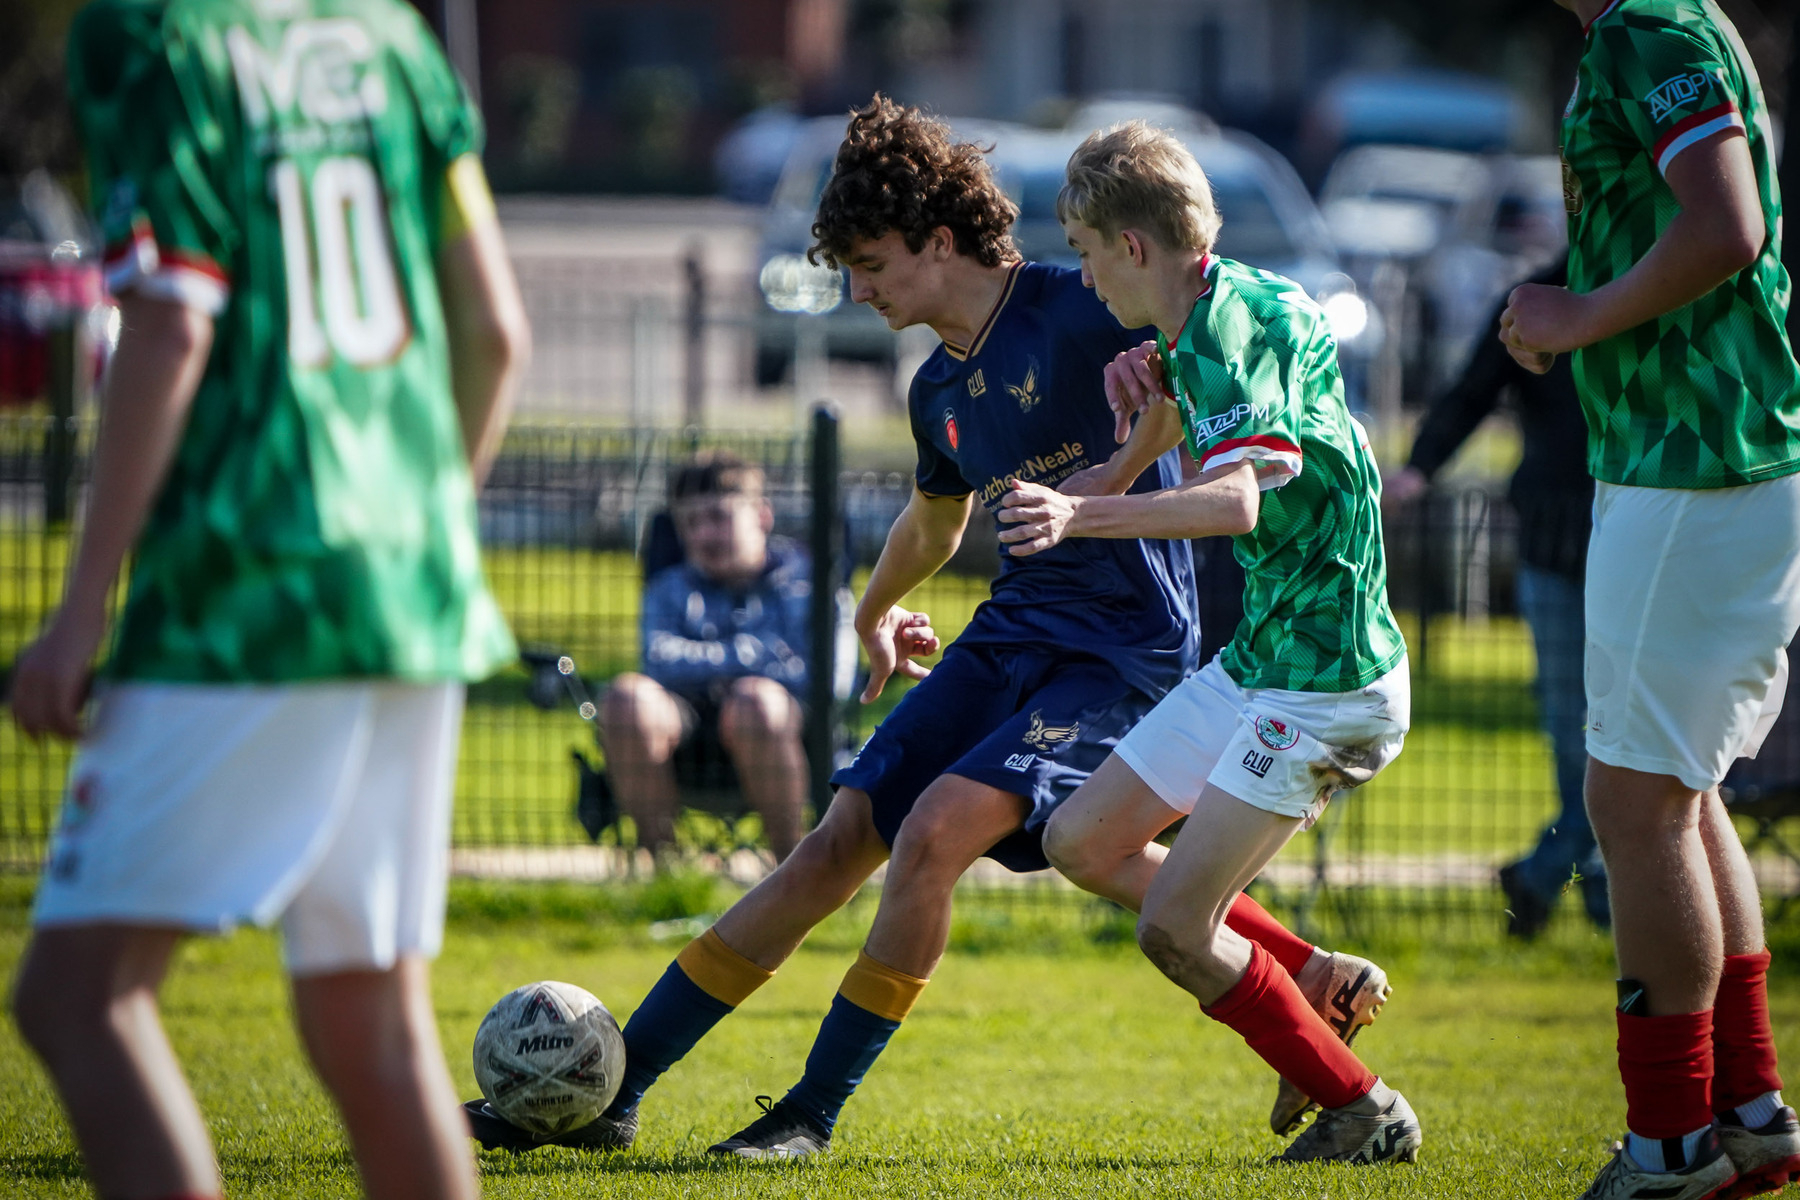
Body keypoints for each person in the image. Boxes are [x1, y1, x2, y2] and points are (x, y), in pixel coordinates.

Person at [464, 94, 1386, 1161]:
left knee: (939, 832)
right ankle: (614, 1091)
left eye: (872, 262)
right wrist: (872, 612)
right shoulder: (938, 388)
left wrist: (1138, 446)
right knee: (832, 844)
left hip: (1121, 655)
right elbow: (934, 519)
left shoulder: (1081, 303)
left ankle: (808, 1118)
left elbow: (1202, 366)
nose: (857, 289)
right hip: (1012, 639)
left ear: (938, 242)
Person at [6, 2, 528, 1198]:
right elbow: (495, 330)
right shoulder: (391, 40)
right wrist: (417, 530)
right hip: (412, 582)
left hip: (242, 590)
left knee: (76, 1000)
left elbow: (172, 317)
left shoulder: (153, 34)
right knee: (367, 1019)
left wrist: (82, 608)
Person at [1016, 120, 1421, 1165]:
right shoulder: (1218, 304)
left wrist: (1078, 517)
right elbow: (1202, 415)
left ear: (1135, 248)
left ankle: (1364, 1109)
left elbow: (1237, 501)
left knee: (1176, 930)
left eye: (1088, 247)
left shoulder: (1225, 333)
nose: (1084, 271)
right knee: (1081, 842)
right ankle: (1319, 980)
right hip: (1264, 662)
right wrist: (1123, 452)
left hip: (1327, 681)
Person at [1500, 2, 1800, 1197]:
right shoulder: (1653, 25)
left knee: (1630, 802)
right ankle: (1750, 1112)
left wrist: (1575, 316)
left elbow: (1728, 226)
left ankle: (1670, 1144)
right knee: (1676, 791)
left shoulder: (1651, 26)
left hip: (1698, 467)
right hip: (1695, 465)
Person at [1387, 256, 1609, 937]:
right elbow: (1471, 391)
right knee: (1575, 732)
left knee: (1634, 741)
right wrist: (1417, 468)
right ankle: (1603, 887)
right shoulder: (1541, 295)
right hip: (1555, 544)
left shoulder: (1671, 279)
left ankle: (1551, 873)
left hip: (1649, 543)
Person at [601, 453, 810, 863]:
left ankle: (797, 873)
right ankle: (665, 872)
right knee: (627, 698)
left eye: (718, 517)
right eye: (690, 524)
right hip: (686, 736)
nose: (704, 536)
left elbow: (822, 677)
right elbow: (658, 661)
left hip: (787, 735)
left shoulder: (809, 585)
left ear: (762, 516)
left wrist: (721, 672)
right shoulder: (668, 587)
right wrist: (751, 653)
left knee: (755, 702)